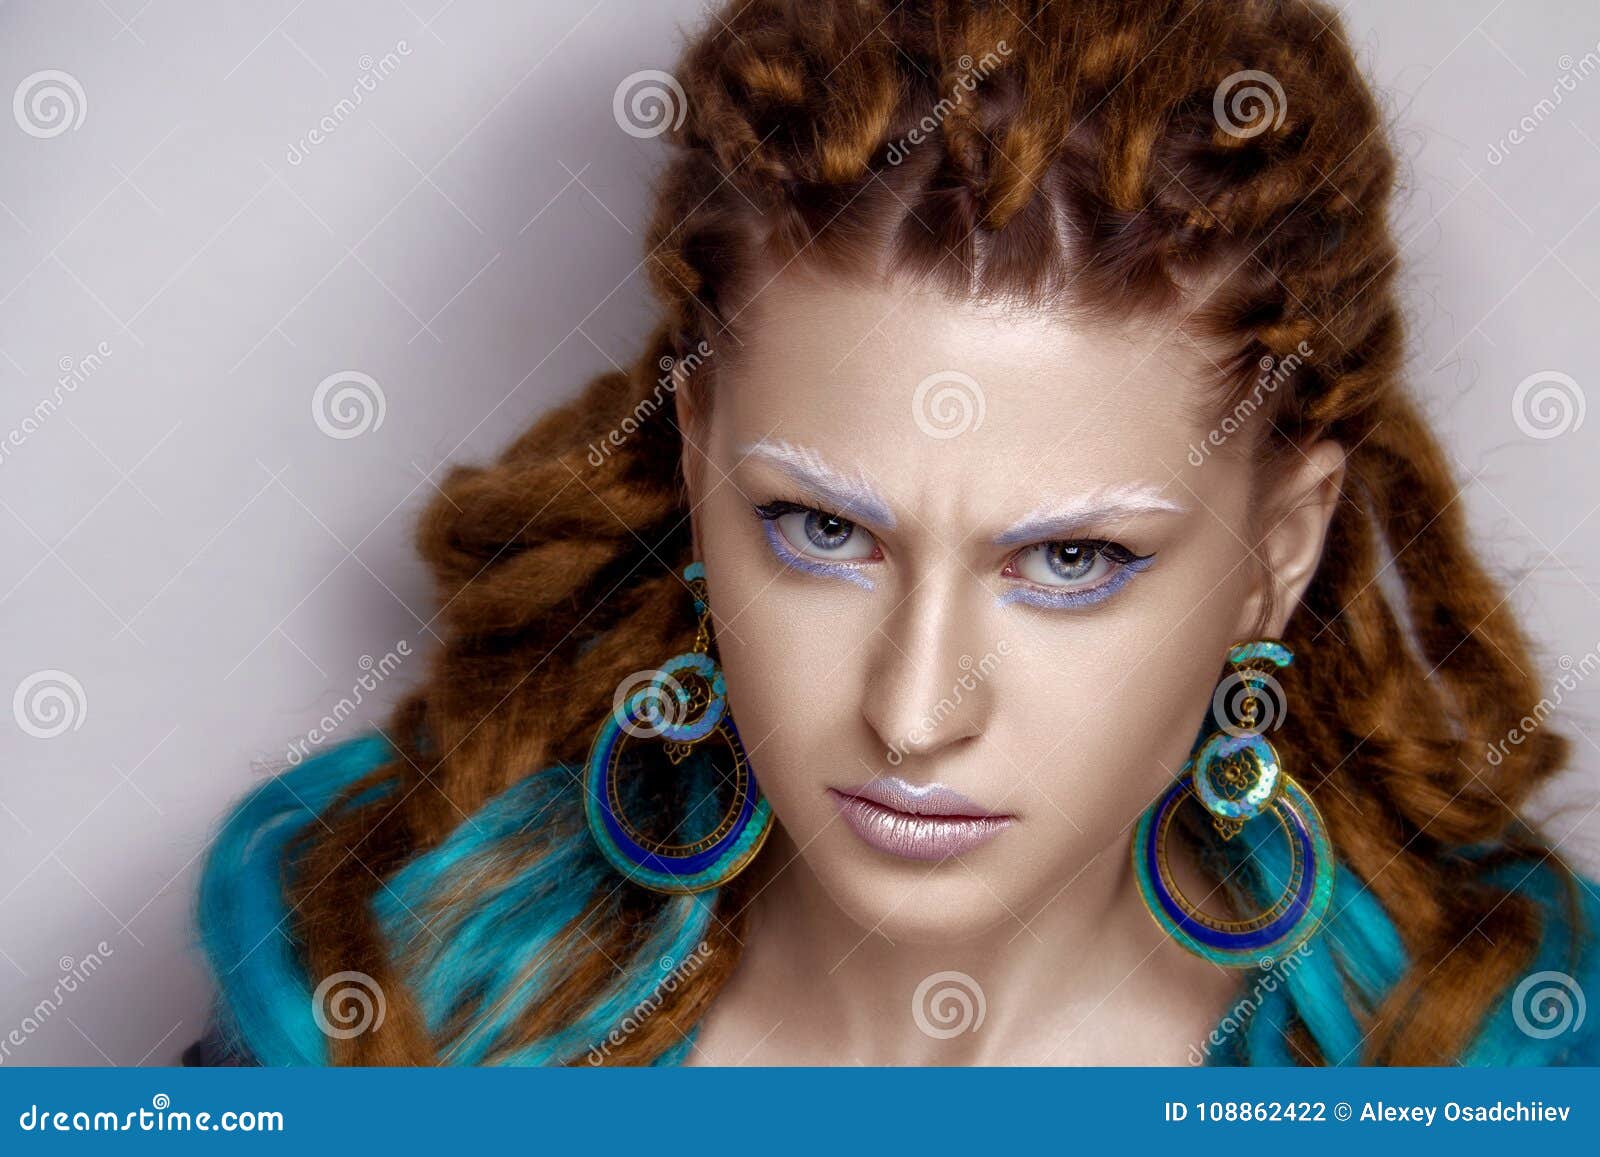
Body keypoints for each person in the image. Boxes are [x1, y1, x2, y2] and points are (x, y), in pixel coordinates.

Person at [190, 0, 1600, 1066]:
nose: (914, 713)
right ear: (693, 467)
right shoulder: (378, 998)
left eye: (1072, 561)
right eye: (820, 527)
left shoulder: (1499, 1055)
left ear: (1278, 555)